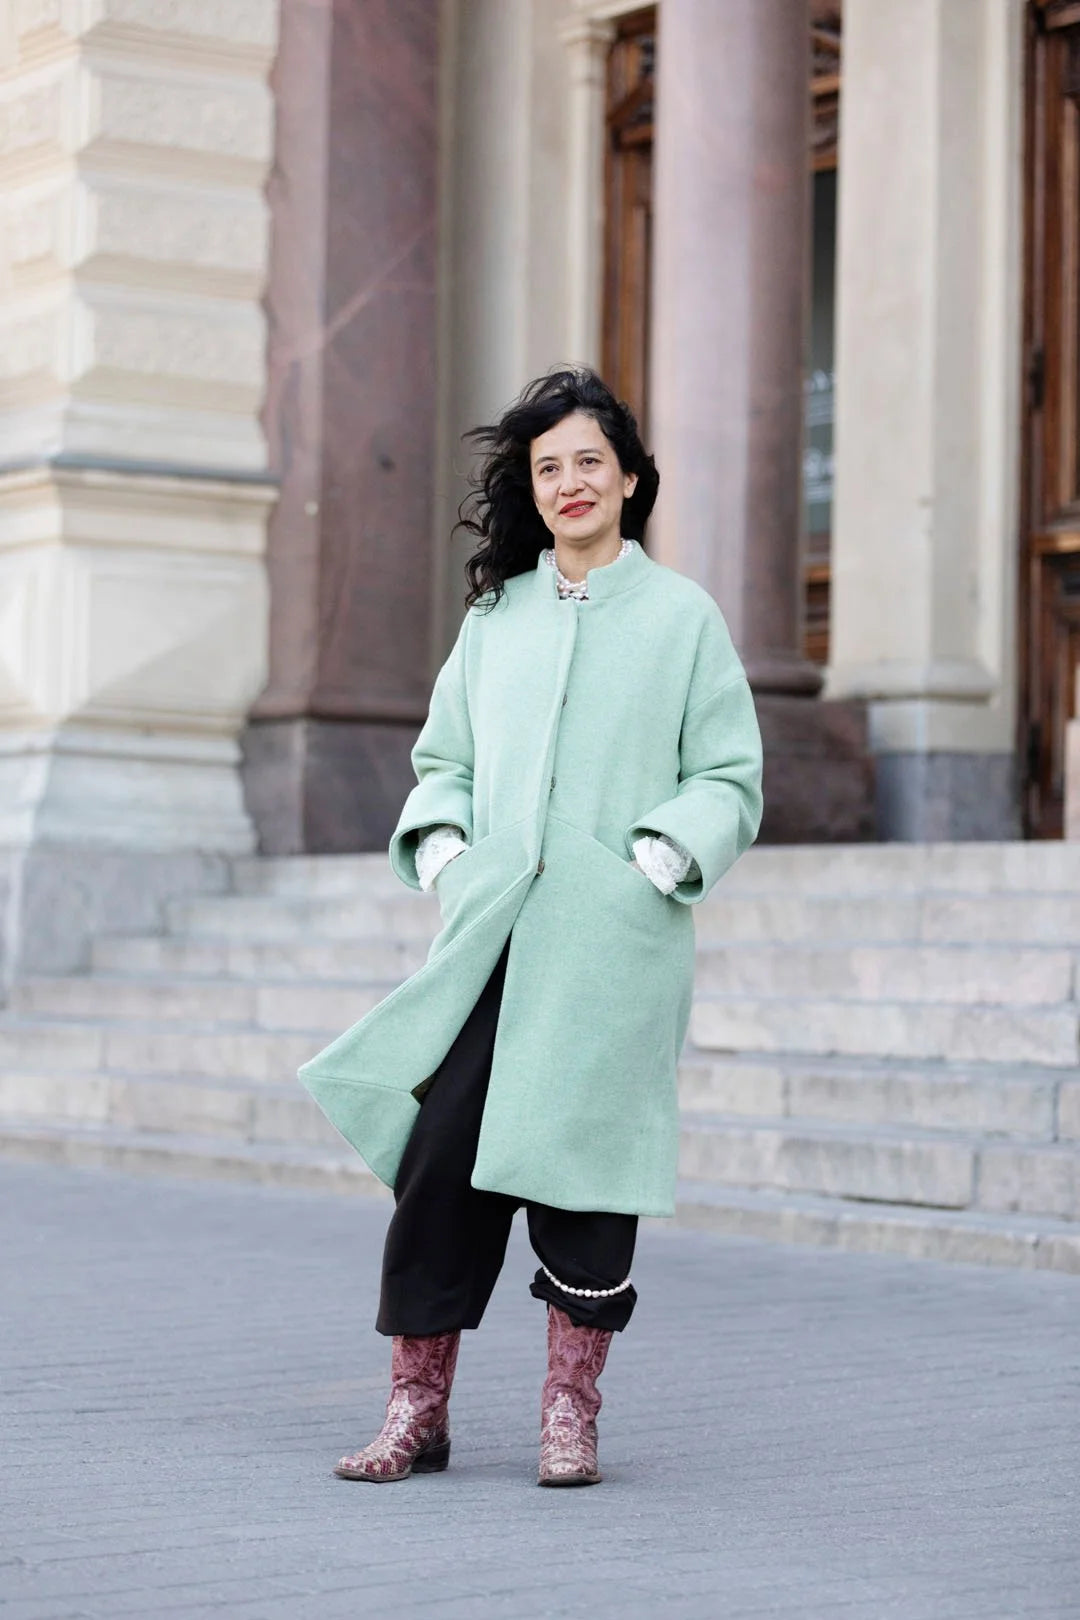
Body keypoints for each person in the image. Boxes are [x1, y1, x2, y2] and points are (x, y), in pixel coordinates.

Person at [298, 366, 764, 1487]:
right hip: (490, 942)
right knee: (439, 1173)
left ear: (631, 479)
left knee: (588, 1182)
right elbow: (442, 758)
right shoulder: (494, 617)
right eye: (548, 467)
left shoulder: (682, 618)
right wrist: (449, 847)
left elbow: (731, 775)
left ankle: (571, 1412)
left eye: (587, 463)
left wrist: (657, 856)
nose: (568, 484)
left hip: (609, 947)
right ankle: (418, 1409)